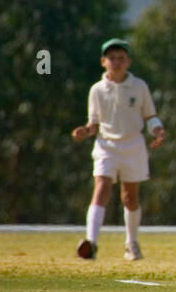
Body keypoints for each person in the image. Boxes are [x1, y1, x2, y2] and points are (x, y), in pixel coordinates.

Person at [71, 38, 166, 260]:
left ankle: (131, 243)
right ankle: (91, 242)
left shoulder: (139, 86)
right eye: (112, 58)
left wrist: (158, 130)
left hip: (133, 145)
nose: (116, 62)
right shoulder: (97, 90)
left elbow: (150, 116)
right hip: (107, 146)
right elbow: (93, 123)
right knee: (102, 187)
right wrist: (85, 131)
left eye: (121, 58)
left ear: (128, 62)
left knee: (130, 198)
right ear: (104, 62)